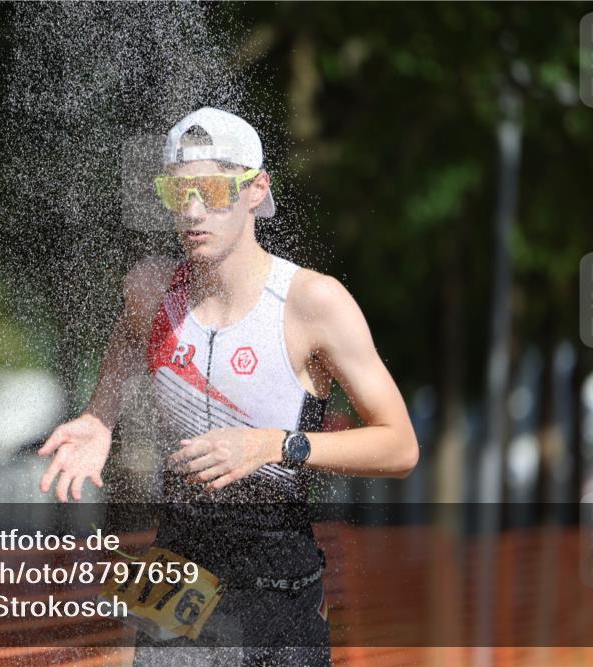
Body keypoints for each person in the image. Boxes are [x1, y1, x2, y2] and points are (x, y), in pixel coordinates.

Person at [38, 106, 419, 666]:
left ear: (254, 189)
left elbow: (400, 446)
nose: (193, 212)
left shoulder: (313, 302)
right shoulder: (150, 291)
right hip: (174, 572)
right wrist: (100, 417)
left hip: (277, 581)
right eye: (177, 192)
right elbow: (123, 350)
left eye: (213, 190)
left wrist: (276, 445)